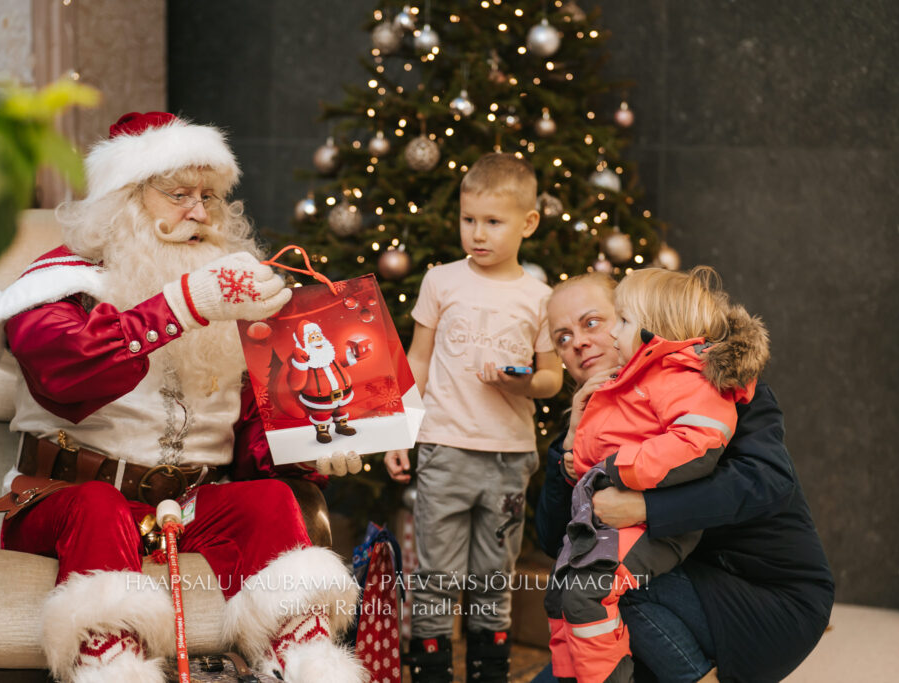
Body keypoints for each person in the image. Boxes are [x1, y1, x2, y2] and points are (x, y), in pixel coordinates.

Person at [0, 112, 366, 683]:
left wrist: (310, 446)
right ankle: (110, 663)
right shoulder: (59, 285)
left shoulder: (228, 297)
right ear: (122, 202)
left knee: (273, 500)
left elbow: (251, 434)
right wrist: (180, 306)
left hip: (190, 505)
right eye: (179, 195)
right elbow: (64, 374)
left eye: (209, 196)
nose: (200, 213)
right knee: (99, 506)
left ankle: (301, 659)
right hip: (68, 497)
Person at [533, 272, 834, 683]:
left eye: (592, 322)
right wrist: (570, 447)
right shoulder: (591, 424)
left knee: (605, 575)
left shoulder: (711, 382)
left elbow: (767, 481)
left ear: (641, 320)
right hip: (667, 590)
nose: (579, 342)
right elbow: (555, 543)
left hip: (758, 589)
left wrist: (645, 508)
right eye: (562, 338)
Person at [383, 152, 563, 682]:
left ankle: (490, 674)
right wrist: (400, 431)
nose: (477, 234)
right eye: (468, 220)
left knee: (493, 577)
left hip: (509, 458)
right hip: (444, 449)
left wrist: (522, 381)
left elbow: (552, 378)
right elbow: (415, 361)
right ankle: (432, 674)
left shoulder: (540, 298)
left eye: (493, 221)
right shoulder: (440, 282)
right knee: (435, 576)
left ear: (528, 223)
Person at [289, 319, 370, 443]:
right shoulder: (305, 363)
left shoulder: (329, 355)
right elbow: (296, 384)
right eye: (313, 337)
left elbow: (342, 361)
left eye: (318, 335)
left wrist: (355, 355)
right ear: (304, 343)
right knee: (321, 415)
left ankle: (341, 426)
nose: (318, 339)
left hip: (343, 396)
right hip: (320, 401)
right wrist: (300, 363)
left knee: (341, 411)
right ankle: (322, 431)